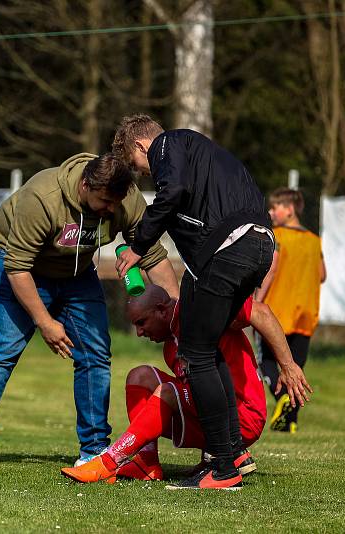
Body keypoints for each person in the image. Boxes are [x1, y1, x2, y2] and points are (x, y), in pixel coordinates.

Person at [112, 115, 312, 489]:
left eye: (136, 164)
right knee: (208, 345)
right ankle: (232, 452)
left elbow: (171, 193)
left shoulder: (168, 145)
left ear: (141, 145)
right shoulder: (203, 154)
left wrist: (139, 246)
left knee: (196, 352)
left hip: (230, 247)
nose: (141, 173)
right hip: (257, 244)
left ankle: (223, 467)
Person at [0, 152, 179, 475]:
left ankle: (94, 450)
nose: (111, 209)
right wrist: (45, 322)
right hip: (18, 265)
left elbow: (154, 256)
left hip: (77, 271)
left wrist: (177, 313)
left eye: (115, 202)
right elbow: (17, 267)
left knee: (96, 354)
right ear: (85, 186)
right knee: (2, 351)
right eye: (104, 201)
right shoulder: (43, 198)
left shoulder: (124, 198)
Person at [60, 285, 307, 489]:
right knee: (140, 376)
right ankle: (147, 463)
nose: (139, 332)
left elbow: (261, 312)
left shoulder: (200, 311)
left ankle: (109, 461)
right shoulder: (170, 344)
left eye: (142, 322)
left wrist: (288, 365)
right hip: (215, 413)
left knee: (168, 392)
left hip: (244, 417)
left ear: (162, 310)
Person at [254, 188, 326, 433]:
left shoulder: (277, 236)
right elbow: (322, 275)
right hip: (305, 314)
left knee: (265, 362)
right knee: (296, 368)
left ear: (290, 209)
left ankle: (283, 400)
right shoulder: (315, 241)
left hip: (277, 313)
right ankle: (289, 422)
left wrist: (256, 301)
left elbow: (271, 270)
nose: (271, 212)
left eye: (276, 208)